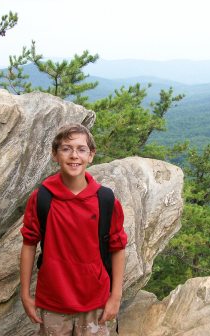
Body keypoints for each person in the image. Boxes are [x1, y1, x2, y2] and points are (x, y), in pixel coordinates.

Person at [20, 123, 128, 335]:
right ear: (55, 154)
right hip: (53, 301)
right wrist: (25, 294)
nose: (74, 155)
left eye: (81, 149)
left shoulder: (105, 200)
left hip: (95, 301)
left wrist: (115, 296)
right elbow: (29, 244)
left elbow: (117, 247)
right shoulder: (43, 197)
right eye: (66, 148)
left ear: (91, 155)